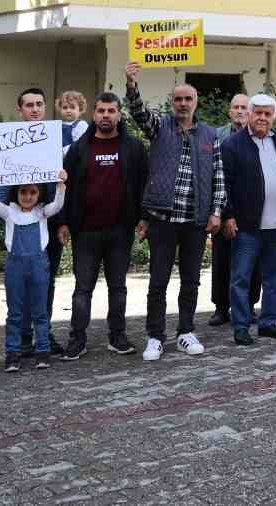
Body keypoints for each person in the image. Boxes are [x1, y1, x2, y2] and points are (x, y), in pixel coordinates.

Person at [124, 65, 224, 361]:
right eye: (178, 99)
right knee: (158, 281)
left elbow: (218, 175)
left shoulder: (210, 135)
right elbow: (140, 113)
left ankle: (185, 331)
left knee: (191, 280)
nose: (183, 103)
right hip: (162, 220)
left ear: (196, 103)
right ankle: (155, 336)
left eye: (188, 99)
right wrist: (132, 85)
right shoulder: (160, 127)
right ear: (171, 103)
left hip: (195, 221)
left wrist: (216, 211)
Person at [60, 92, 148, 361]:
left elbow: (145, 184)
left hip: (120, 230)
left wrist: (144, 218)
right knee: (82, 288)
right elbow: (65, 187)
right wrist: (63, 221)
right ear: (94, 114)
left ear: (119, 114)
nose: (106, 115)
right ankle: (77, 339)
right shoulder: (80, 148)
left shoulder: (133, 147)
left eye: (111, 111)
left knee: (118, 287)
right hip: (85, 230)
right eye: (101, 111)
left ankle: (117, 336)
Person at [0, 170, 68, 372]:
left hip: (39, 265)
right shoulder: (9, 212)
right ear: (16, 194)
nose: (28, 196)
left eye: (32, 192)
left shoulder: (42, 212)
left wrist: (61, 185)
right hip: (15, 266)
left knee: (40, 311)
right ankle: (13, 353)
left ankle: (43, 351)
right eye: (23, 192)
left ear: (39, 194)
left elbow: (58, 205)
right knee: (15, 312)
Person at [219, 93, 276, 346]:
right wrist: (228, 215)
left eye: (268, 114)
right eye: (258, 113)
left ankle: (268, 323)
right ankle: (241, 326)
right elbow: (224, 184)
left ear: (273, 116)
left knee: (274, 275)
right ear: (249, 115)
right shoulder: (232, 144)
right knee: (241, 278)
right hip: (246, 225)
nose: (262, 118)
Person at [15, 87, 66, 356]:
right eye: (29, 105)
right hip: (21, 225)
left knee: (46, 281)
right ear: (20, 110)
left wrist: (63, 222)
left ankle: (43, 334)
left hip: (50, 221)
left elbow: (63, 185)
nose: (34, 109)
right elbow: (2, 187)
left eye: (39, 104)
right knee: (22, 282)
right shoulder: (8, 140)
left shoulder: (54, 140)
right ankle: (23, 337)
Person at [208, 93, 258, 327]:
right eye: (235, 107)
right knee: (222, 259)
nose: (239, 111)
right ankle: (220, 307)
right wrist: (221, 213)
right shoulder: (216, 136)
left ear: (250, 112)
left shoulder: (259, 136)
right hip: (222, 207)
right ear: (229, 112)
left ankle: (248, 305)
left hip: (251, 210)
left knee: (251, 261)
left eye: (244, 107)